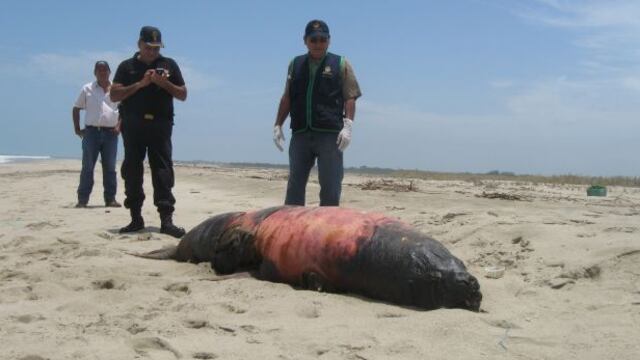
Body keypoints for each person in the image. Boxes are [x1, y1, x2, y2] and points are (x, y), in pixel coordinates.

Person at [273, 20, 362, 206]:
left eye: (323, 39)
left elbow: (350, 97)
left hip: (330, 135)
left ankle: (328, 230)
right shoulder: (294, 64)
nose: (318, 44)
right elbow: (287, 97)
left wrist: (348, 126)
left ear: (329, 41)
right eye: (314, 39)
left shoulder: (340, 63)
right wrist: (277, 124)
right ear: (305, 41)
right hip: (300, 133)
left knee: (330, 186)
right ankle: (293, 229)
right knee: (295, 186)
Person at [110, 26, 187, 238]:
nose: (152, 52)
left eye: (156, 48)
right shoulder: (127, 67)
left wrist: (164, 83)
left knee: (162, 171)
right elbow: (114, 94)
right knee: (132, 170)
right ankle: (136, 218)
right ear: (139, 45)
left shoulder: (168, 64)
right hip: (133, 126)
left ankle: (166, 220)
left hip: (160, 126)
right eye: (148, 47)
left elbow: (183, 94)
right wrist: (140, 84)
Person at [72, 60, 122, 208]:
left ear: (109, 72)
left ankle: (110, 199)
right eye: (99, 70)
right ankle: (82, 200)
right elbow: (76, 108)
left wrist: (119, 126)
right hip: (91, 132)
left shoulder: (117, 89)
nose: (102, 72)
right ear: (95, 72)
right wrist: (77, 128)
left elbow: (125, 110)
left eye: (105, 70)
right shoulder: (87, 88)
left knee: (110, 168)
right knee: (87, 167)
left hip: (111, 133)